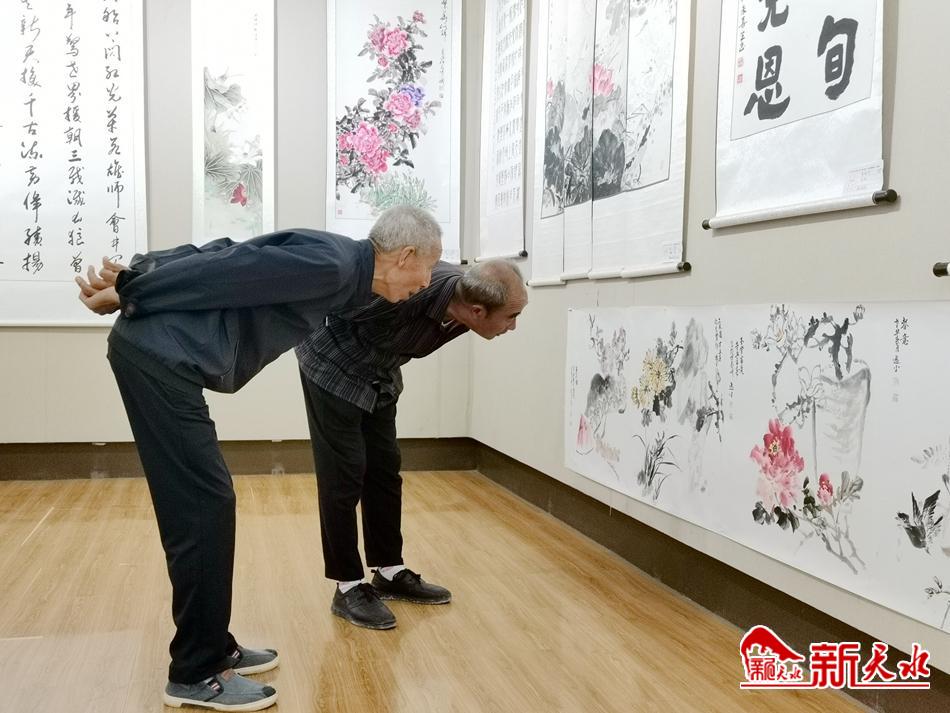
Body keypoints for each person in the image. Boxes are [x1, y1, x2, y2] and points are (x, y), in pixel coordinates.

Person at [75, 206, 442, 712]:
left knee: (207, 503)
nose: (427, 283)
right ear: (405, 256)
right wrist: (134, 289)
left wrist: (142, 270)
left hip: (162, 356)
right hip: (157, 358)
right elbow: (222, 271)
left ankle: (215, 646)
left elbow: (229, 252)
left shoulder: (339, 261)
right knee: (202, 507)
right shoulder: (335, 267)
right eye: (429, 268)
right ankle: (195, 671)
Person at [295, 259, 527, 629]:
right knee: (344, 474)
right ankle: (347, 585)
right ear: (477, 311)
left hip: (380, 371)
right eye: (512, 317)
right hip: (332, 366)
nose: (513, 326)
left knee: (385, 468)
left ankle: (389, 571)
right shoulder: (401, 293)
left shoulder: (466, 297)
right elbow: (329, 301)